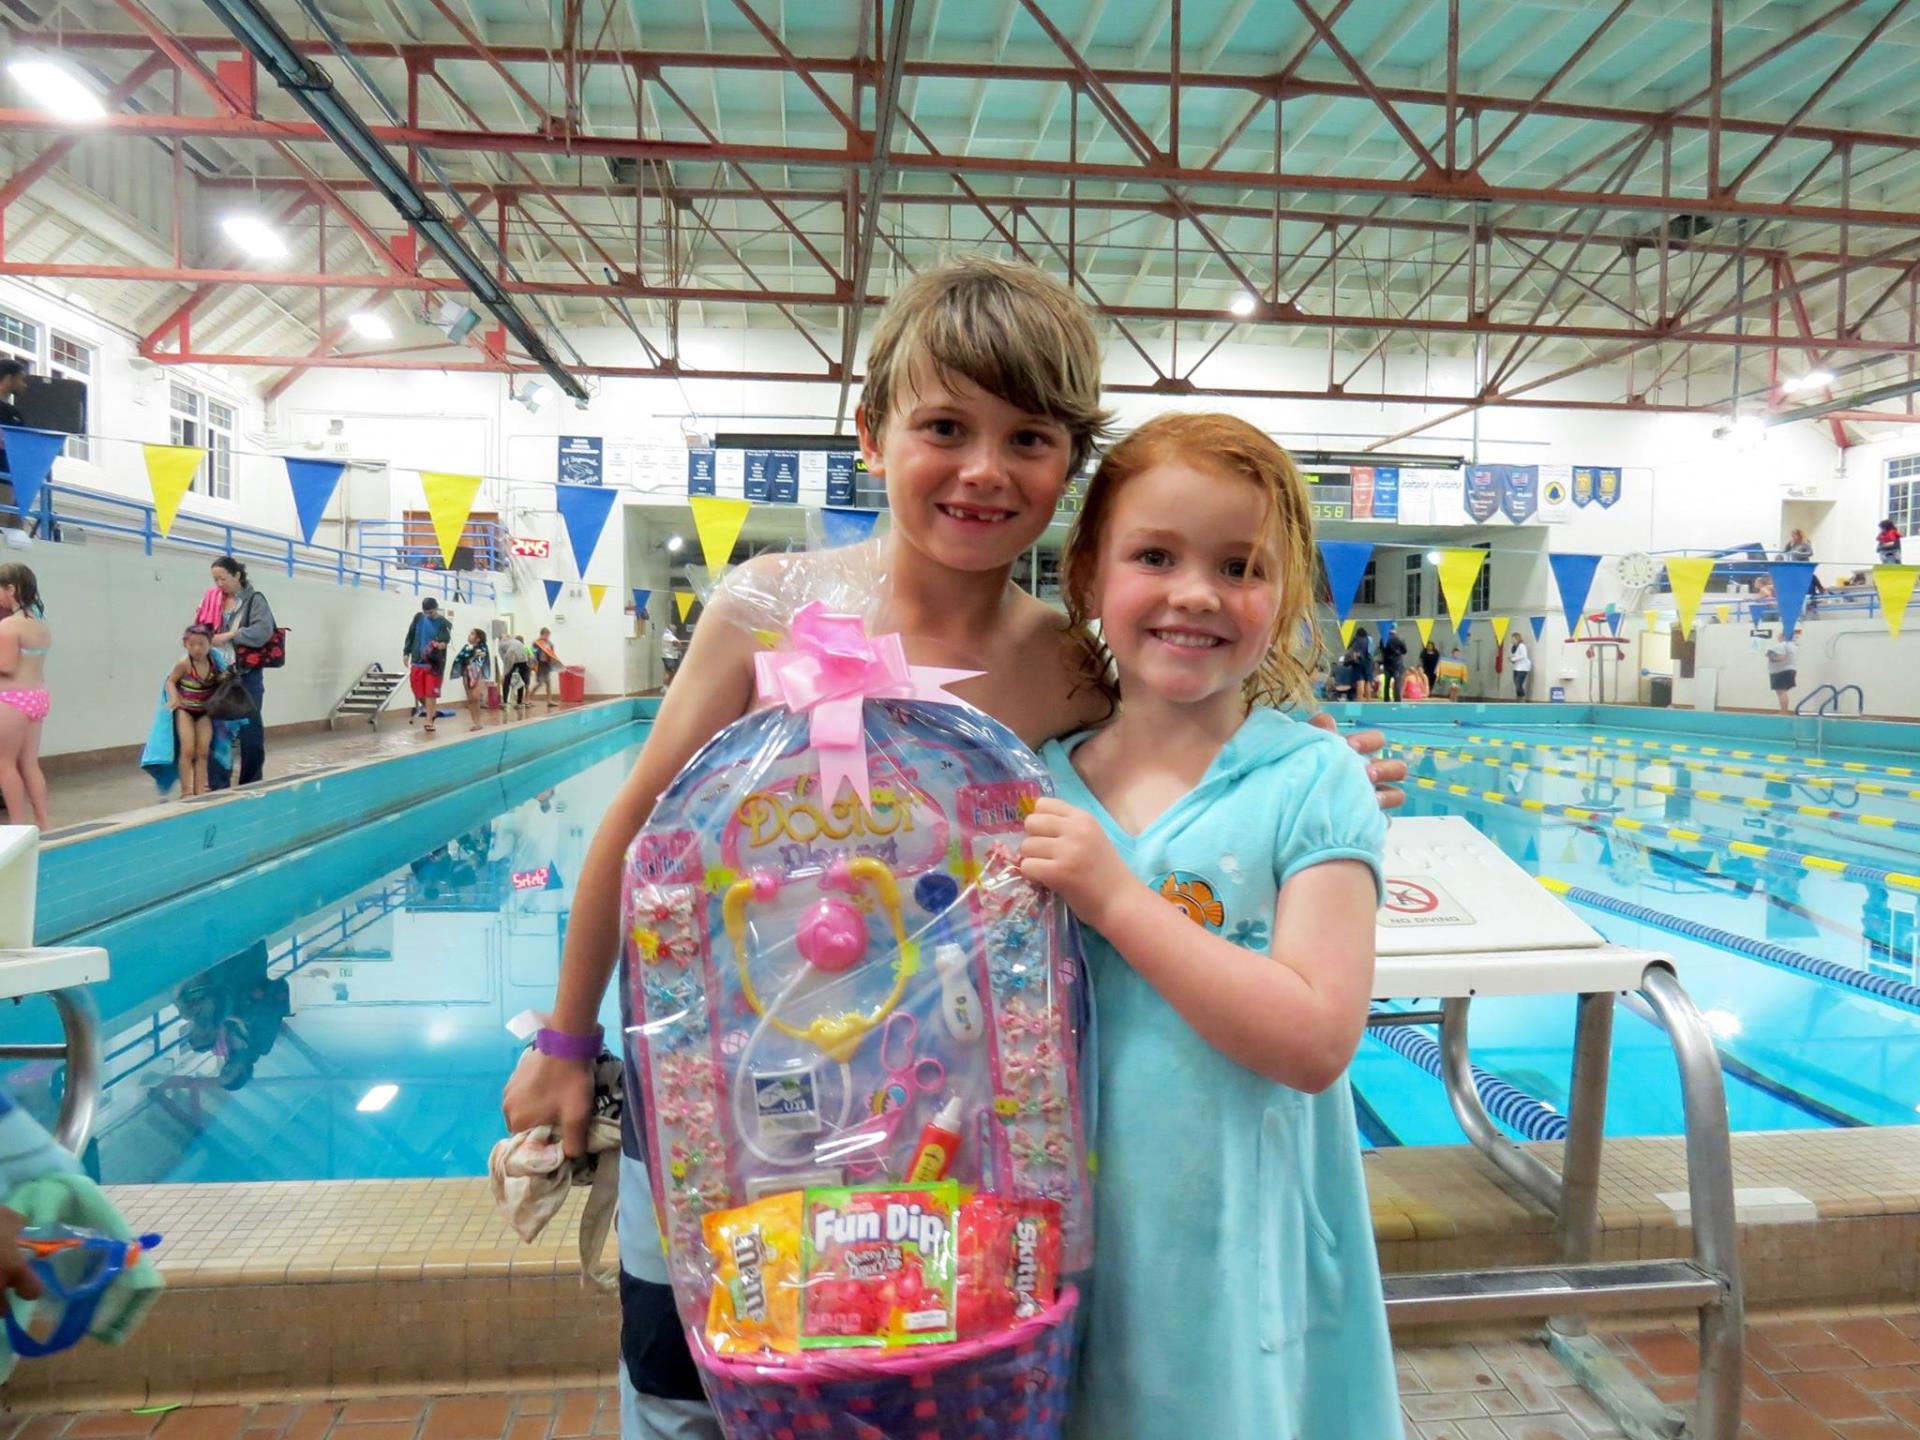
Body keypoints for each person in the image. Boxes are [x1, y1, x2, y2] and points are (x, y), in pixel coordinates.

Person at [496, 256, 1407, 1440]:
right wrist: (568, 1040)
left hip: (939, 1128)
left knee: (911, 1399)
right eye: (944, 427)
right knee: (691, 1381)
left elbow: (1195, 716)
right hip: (728, 1094)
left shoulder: (1065, 664)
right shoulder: (766, 606)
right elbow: (639, 831)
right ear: (871, 434)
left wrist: (1320, 747)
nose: (984, 470)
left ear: (1065, 471)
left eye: (1028, 438)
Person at [1020, 412, 1394, 1438]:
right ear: (1090, 574)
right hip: (1067, 1253)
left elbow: (1316, 1041)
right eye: (1155, 555)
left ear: (1285, 595)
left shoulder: (1315, 782)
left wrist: (1119, 902)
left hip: (1244, 1250)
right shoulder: (1032, 787)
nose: (1196, 592)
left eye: (1241, 565)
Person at [208, 556, 276, 786]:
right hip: (220, 675)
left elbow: (263, 630)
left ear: (237, 575)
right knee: (218, 731)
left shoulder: (255, 601)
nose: (219, 584)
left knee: (250, 731)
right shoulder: (213, 602)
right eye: (215, 580)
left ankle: (251, 781)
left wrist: (231, 635)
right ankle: (218, 784)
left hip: (247, 675)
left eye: (223, 579)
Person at [0, 562, 50, 829]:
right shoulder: (40, 625)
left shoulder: (8, 626)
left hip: (11, 700)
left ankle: (18, 826)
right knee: (29, 763)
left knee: (4, 765)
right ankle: (44, 824)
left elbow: (6, 668)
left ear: (10, 588)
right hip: (37, 697)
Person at [167, 624, 220, 798]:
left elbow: (222, 683)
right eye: (192, 645)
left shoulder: (215, 662)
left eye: (201, 644)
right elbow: (170, 681)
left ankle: (199, 789)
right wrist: (174, 697)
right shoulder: (184, 664)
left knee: (203, 751)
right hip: (186, 711)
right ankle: (186, 790)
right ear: (185, 644)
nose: (197, 649)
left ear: (210, 643)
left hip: (204, 713)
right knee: (188, 750)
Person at [403, 597, 453, 733]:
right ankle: (432, 710)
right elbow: (410, 635)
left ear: (436, 609)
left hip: (433, 664)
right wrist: (406, 652)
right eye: (426, 612)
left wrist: (440, 645)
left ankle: (429, 719)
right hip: (417, 661)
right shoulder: (418, 618)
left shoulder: (444, 623)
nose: (428, 615)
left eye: (431, 612)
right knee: (418, 692)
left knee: (430, 693)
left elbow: (445, 641)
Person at [0, 359, 29, 534]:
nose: (24, 385)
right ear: (10, 378)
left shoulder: (14, 413)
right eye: (21, 379)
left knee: (15, 535)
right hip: (2, 481)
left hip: (15, 482)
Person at [452, 628, 492, 732]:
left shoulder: (482, 648)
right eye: (470, 633)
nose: (469, 635)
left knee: (475, 697)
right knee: (470, 699)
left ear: (478, 639)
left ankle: (478, 722)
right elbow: (458, 660)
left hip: (478, 675)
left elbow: (478, 662)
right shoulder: (466, 648)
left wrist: (471, 666)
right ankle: (475, 722)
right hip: (466, 674)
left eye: (472, 634)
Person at [1783, 528, 1825, 608]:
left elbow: (1810, 553)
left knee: (1810, 579)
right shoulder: (1793, 544)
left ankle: (1818, 591)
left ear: (1799, 535)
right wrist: (1788, 544)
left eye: (1795, 535)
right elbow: (1785, 551)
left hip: (1804, 564)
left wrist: (1799, 553)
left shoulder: (1804, 543)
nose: (1793, 537)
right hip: (1796, 566)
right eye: (1792, 535)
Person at [499, 633, 533, 718]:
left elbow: (504, 658)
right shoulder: (516, 641)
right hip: (522, 658)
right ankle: (519, 703)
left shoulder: (501, 644)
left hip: (512, 655)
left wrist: (507, 671)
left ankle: (505, 702)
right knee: (520, 680)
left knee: (507, 679)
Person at [531, 628, 561, 709]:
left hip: (546, 664)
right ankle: (528, 699)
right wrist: (534, 663)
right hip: (539, 664)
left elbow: (552, 653)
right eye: (546, 635)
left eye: (548, 635)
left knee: (548, 682)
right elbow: (533, 652)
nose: (548, 637)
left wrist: (554, 660)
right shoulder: (536, 643)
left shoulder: (550, 643)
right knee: (539, 683)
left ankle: (549, 701)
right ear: (542, 634)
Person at [1767, 634, 1796, 713]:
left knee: (1781, 692)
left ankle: (1783, 712)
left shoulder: (1782, 645)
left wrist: (1771, 657)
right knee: (1782, 692)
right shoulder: (1791, 646)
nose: (1777, 637)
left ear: (1783, 637)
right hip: (1789, 670)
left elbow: (1782, 657)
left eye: (1779, 636)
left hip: (1781, 671)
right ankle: (1784, 711)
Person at [1380, 625, 1407, 701]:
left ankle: (1386, 698)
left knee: (1387, 682)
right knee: (1397, 682)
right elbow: (1405, 650)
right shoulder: (1400, 638)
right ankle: (1397, 699)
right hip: (1397, 663)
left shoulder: (1383, 639)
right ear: (1395, 629)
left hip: (1387, 663)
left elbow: (1381, 649)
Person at [1351, 622, 1375, 699]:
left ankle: (1359, 701)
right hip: (1369, 662)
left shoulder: (1356, 640)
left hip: (1359, 663)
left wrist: (1353, 660)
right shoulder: (1369, 640)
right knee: (1368, 682)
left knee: (1360, 682)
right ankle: (1368, 701)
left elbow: (1354, 653)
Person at [1508, 632, 1533, 700]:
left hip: (1523, 668)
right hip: (1516, 667)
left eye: (1513, 639)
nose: (1512, 640)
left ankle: (1521, 698)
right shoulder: (1514, 647)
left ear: (1517, 639)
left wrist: (1513, 659)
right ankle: (1518, 698)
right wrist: (1511, 659)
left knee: (1518, 684)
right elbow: (1515, 655)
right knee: (1516, 684)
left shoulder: (1522, 646)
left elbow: (1523, 655)